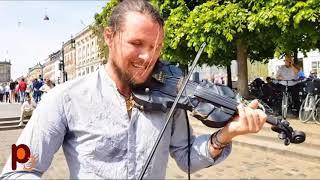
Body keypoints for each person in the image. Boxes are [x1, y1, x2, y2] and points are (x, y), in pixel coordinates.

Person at [0, 0, 267, 179]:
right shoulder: (62, 98)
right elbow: (16, 168)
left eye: (155, 47)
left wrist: (226, 134)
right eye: (136, 43)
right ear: (109, 37)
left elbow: (187, 158)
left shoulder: (170, 99)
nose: (148, 57)